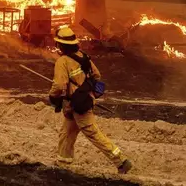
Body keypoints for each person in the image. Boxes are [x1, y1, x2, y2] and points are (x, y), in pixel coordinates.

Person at [48, 26, 133, 174]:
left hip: (78, 105)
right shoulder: (83, 56)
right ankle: (64, 161)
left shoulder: (62, 61)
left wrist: (52, 96)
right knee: (67, 132)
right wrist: (85, 89)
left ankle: (121, 161)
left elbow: (59, 85)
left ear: (61, 45)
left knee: (93, 133)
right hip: (79, 103)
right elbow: (97, 76)